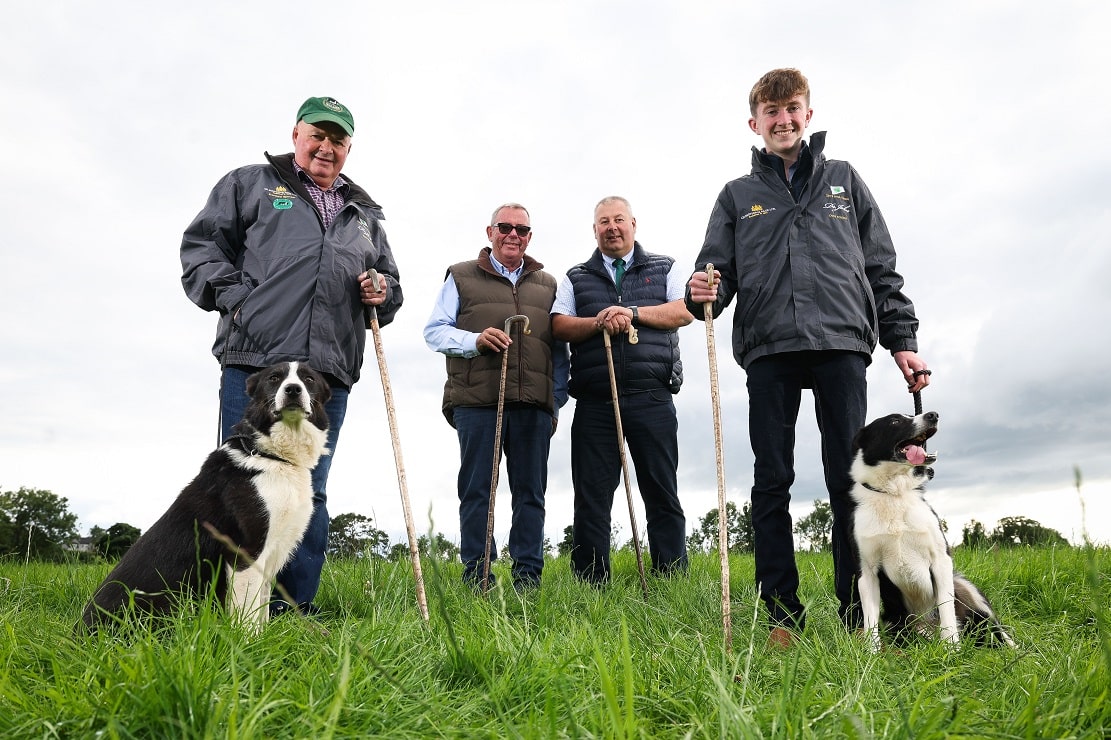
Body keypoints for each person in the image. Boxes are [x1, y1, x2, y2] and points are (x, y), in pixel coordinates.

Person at [685, 68, 930, 647]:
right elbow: (715, 275)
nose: (783, 120)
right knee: (772, 478)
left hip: (843, 343)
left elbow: (881, 268)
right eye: (771, 113)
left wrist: (903, 341)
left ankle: (862, 612)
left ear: (808, 114)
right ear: (755, 123)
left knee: (853, 480)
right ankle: (780, 615)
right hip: (769, 349)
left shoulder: (845, 181)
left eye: (792, 108)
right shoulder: (737, 196)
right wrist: (704, 292)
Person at [181, 96, 403, 616]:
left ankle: (291, 608)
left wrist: (381, 290)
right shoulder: (250, 184)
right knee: (236, 484)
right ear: (296, 135)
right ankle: (217, 606)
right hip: (258, 362)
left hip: (327, 373)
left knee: (310, 491)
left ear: (349, 147)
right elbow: (200, 249)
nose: (327, 147)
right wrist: (240, 299)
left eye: (338, 139)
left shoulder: (365, 215)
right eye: (317, 135)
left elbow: (392, 286)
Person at [424, 203, 568, 591]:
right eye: (505, 227)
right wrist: (474, 340)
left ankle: (527, 580)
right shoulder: (461, 276)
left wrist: (555, 401)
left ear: (529, 237)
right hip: (476, 402)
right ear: (490, 233)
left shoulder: (549, 284)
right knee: (477, 491)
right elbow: (434, 331)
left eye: (522, 230)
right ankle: (478, 576)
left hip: (534, 405)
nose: (513, 235)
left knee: (530, 494)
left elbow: (559, 348)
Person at [552, 196, 693, 585]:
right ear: (593, 229)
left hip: (652, 396)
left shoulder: (666, 267)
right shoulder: (575, 276)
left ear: (634, 224)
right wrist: (599, 322)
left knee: (661, 490)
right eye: (603, 222)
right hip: (596, 401)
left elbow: (683, 310)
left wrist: (631, 314)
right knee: (592, 495)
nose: (611, 227)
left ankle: (671, 580)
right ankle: (591, 583)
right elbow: (558, 324)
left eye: (619, 220)